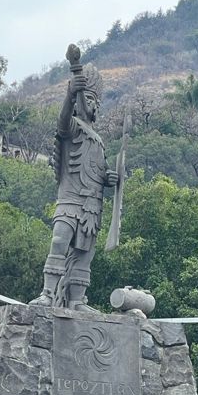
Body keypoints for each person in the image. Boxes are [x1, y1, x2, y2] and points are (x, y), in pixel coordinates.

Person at [31, 46, 118, 313]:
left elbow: (96, 172)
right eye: (89, 98)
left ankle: (78, 300)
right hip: (70, 200)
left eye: (96, 101)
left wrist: (109, 179)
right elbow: (61, 122)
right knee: (59, 241)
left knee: (84, 254)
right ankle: (47, 293)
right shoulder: (72, 129)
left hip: (92, 206)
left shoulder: (99, 140)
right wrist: (71, 94)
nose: (93, 104)